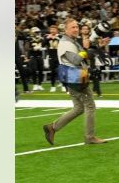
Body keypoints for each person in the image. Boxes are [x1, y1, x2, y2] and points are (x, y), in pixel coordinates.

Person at [42, 18, 107, 146]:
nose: (76, 29)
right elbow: (76, 60)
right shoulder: (66, 43)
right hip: (75, 79)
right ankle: (90, 137)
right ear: (65, 30)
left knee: (78, 108)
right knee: (90, 106)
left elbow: (84, 56)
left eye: (77, 27)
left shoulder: (72, 41)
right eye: (72, 27)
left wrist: (98, 47)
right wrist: (87, 50)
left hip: (74, 78)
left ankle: (52, 128)